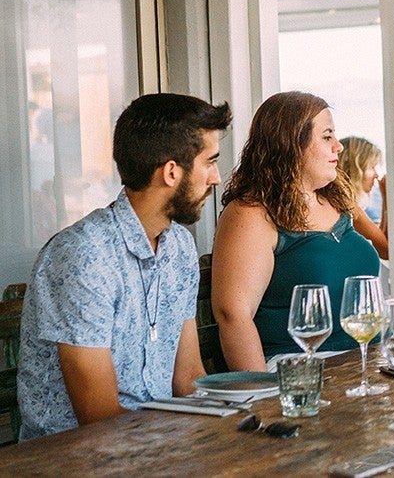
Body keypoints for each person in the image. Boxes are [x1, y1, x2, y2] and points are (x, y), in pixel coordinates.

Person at [17, 93, 232, 440]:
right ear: (172, 172)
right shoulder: (83, 255)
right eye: (210, 162)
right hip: (71, 460)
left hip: (159, 447)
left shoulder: (179, 247)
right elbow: (99, 417)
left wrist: (232, 429)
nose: (216, 178)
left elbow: (188, 376)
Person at [211, 92, 380, 371]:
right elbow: (233, 315)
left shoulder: (336, 200)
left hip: (367, 362)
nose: (338, 147)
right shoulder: (251, 213)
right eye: (327, 137)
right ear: (291, 144)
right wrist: (262, 397)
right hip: (302, 370)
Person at [337, 136, 389, 250]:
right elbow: (385, 250)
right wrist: (387, 197)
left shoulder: (338, 200)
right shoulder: (348, 207)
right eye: (372, 167)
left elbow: (379, 236)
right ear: (355, 169)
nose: (376, 175)